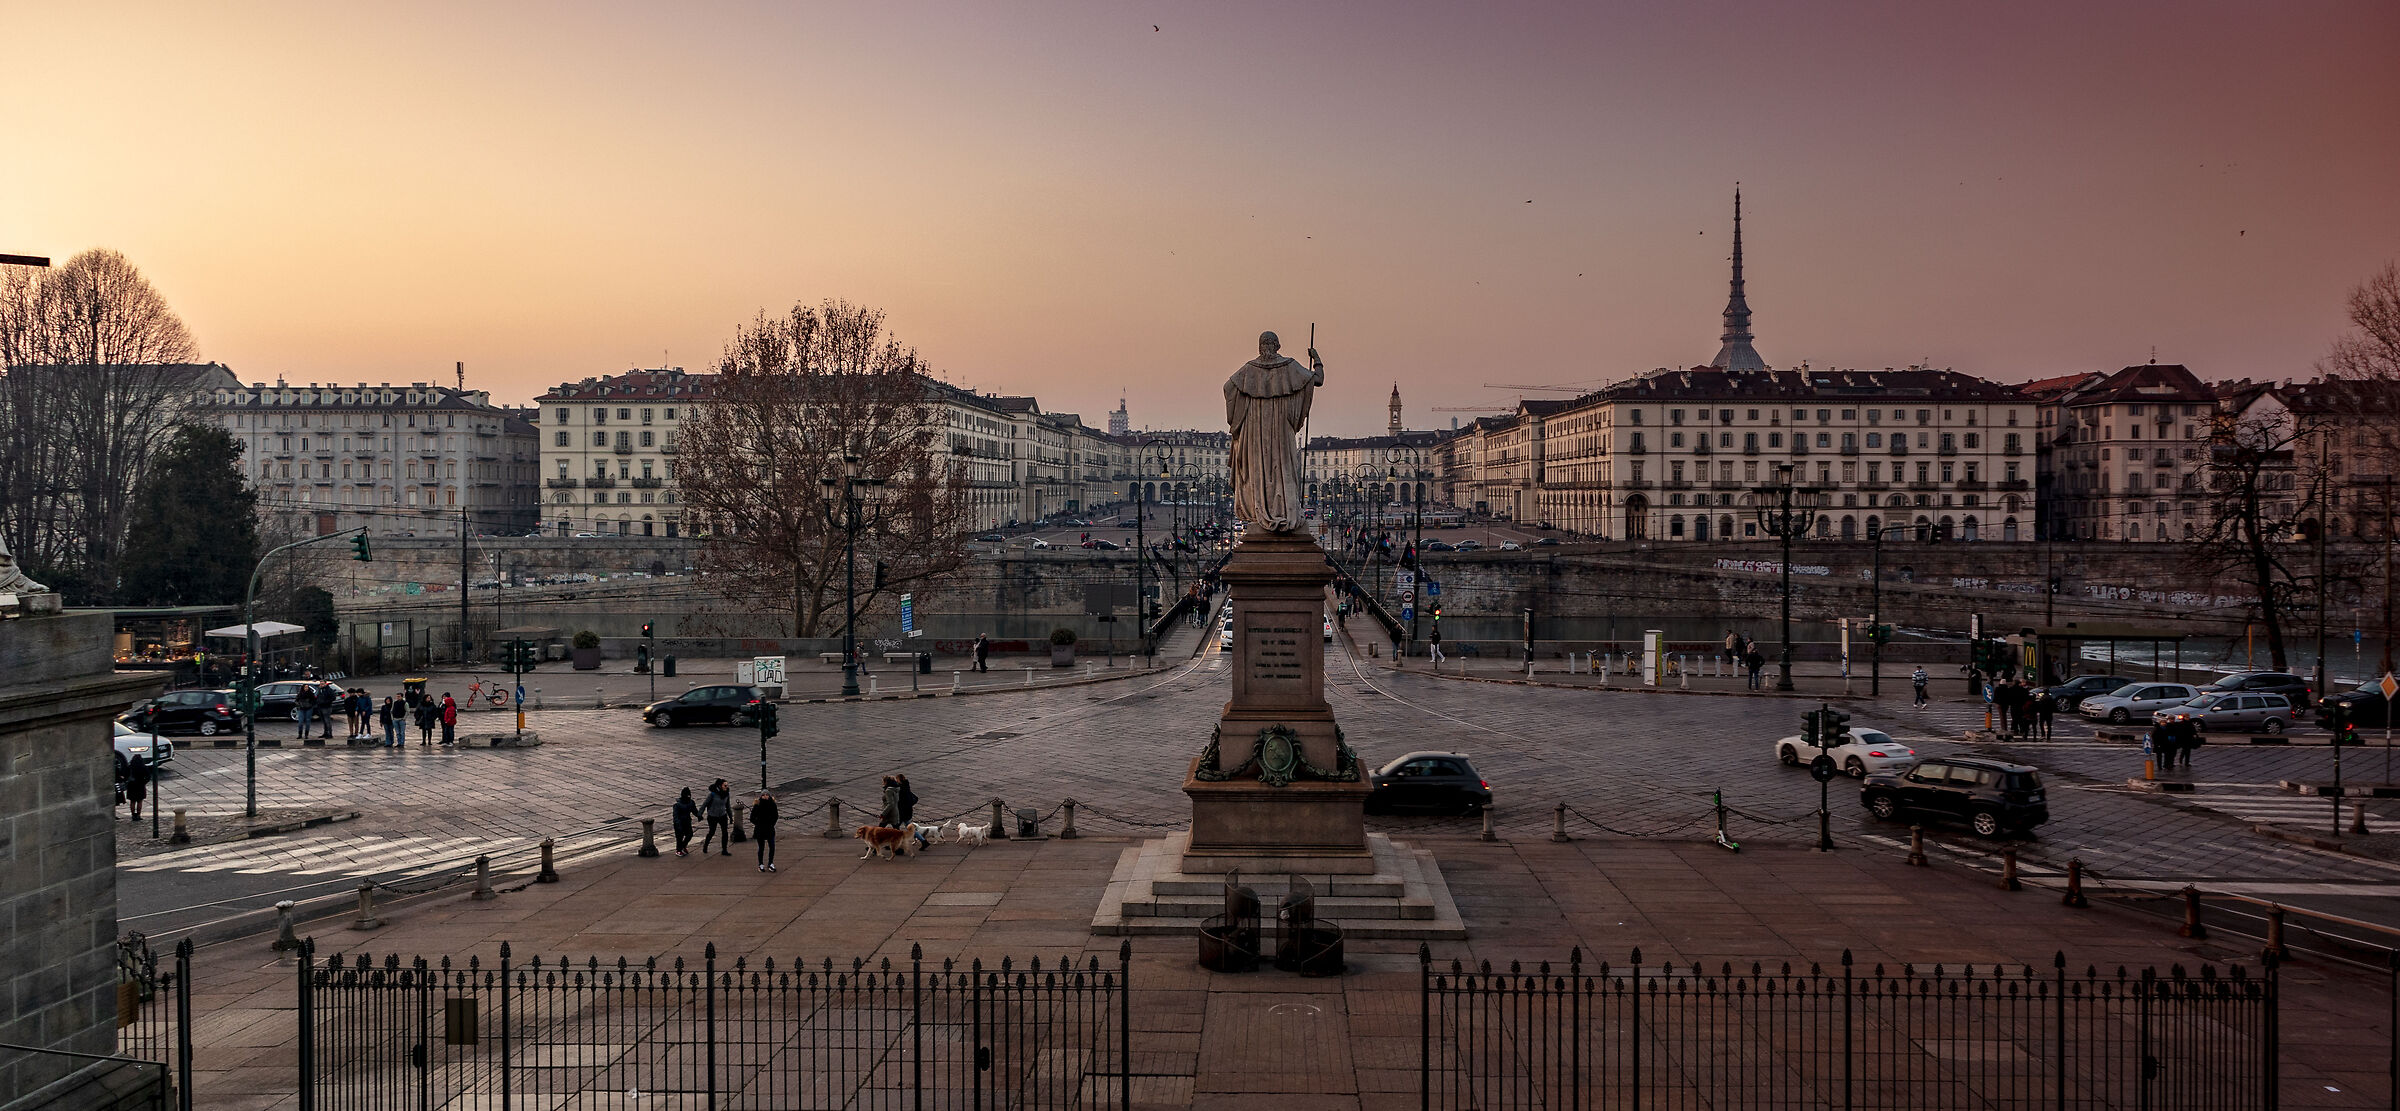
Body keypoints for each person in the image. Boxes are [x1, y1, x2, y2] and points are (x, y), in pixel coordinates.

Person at [751, 793, 780, 872]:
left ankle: (771, 863)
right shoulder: (757, 805)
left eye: (767, 795)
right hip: (760, 830)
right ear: (761, 796)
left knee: (772, 846)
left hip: (769, 829)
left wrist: (771, 824)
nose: (765, 796)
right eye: (763, 795)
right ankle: (761, 864)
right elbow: (752, 818)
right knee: (761, 847)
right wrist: (758, 824)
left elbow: (775, 816)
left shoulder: (772, 804)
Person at [701, 780, 732, 855]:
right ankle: (705, 845)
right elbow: (705, 804)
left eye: (727, 785)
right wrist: (699, 814)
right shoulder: (712, 794)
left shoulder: (726, 794)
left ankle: (724, 850)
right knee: (712, 832)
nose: (727, 787)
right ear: (720, 786)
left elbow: (728, 806)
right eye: (725, 785)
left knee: (725, 832)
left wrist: (731, 817)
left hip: (722, 815)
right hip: (712, 816)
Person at [671, 787, 700, 857]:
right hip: (679, 823)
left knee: (689, 834)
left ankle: (683, 846)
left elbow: (694, 811)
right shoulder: (677, 805)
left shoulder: (691, 802)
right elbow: (675, 816)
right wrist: (678, 824)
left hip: (687, 822)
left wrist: (699, 815)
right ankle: (678, 850)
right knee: (679, 837)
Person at [122, 755, 151, 822]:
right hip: (140, 785)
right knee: (139, 801)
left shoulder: (130, 767)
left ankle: (133, 815)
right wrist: (144, 782)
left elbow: (125, 775)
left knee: (132, 801)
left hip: (131, 786)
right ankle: (138, 815)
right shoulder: (143, 767)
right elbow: (148, 776)